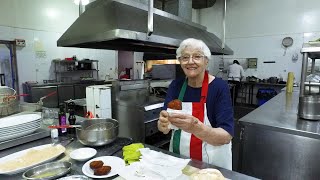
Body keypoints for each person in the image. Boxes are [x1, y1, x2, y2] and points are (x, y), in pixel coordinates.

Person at [157, 38, 233, 170]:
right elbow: (165, 128)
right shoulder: (176, 86)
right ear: (180, 62)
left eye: (197, 56)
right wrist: (162, 124)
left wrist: (195, 127)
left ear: (206, 61)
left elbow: (226, 136)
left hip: (211, 164)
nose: (190, 61)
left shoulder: (219, 87)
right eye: (185, 57)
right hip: (179, 160)